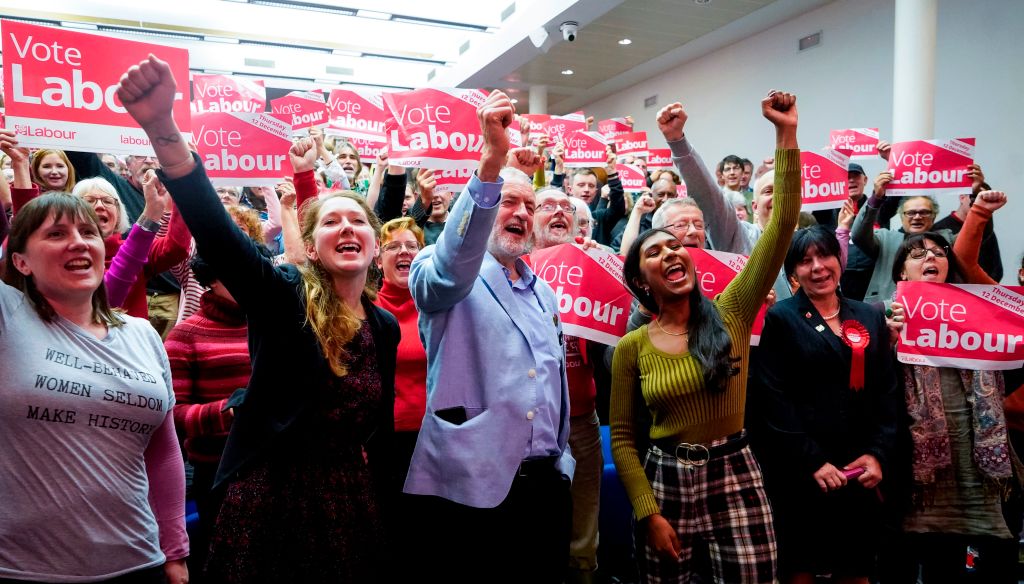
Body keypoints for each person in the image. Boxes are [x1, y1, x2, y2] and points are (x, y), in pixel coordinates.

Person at [116, 55, 399, 582]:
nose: (346, 228)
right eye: (330, 222)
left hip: (351, 503)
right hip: (273, 501)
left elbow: (375, 430)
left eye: (357, 220)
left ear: (374, 244)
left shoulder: (384, 327)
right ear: (309, 248)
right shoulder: (285, 295)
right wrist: (163, 129)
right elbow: (219, 236)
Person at [610, 89, 801, 583]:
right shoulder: (633, 346)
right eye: (654, 252)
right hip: (665, 483)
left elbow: (782, 224)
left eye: (675, 246)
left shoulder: (733, 310)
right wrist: (647, 512)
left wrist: (786, 134)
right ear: (641, 282)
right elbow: (625, 440)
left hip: (736, 474)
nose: (672, 253)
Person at [403, 89, 574, 584]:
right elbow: (453, 265)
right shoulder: (439, 268)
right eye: (507, 201)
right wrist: (492, 163)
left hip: (547, 485)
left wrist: (563, 460)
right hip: (473, 485)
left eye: (529, 205)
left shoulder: (544, 292)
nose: (520, 212)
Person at [0, 192, 188, 583]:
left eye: (88, 232)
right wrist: (16, 170)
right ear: (20, 261)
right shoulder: (8, 317)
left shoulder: (142, 333)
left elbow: (163, 451)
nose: (79, 242)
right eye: (56, 233)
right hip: (24, 571)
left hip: (140, 563)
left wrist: (174, 551)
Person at [751, 226, 899, 583]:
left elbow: (887, 392)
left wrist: (877, 453)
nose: (818, 267)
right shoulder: (779, 319)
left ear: (839, 260)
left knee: (857, 569)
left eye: (825, 256)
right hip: (802, 473)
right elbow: (773, 399)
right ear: (793, 273)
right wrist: (812, 461)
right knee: (801, 568)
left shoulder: (868, 316)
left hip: (860, 469)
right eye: (805, 261)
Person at [885, 232, 1019, 582]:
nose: (930, 258)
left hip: (976, 461)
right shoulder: (883, 317)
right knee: (928, 558)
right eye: (918, 254)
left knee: (979, 560)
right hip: (921, 464)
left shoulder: (979, 313)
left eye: (938, 253)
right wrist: (889, 341)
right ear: (902, 273)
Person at [372, 217, 427, 491]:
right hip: (384, 441)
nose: (404, 251)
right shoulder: (365, 309)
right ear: (378, 260)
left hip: (435, 437)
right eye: (393, 246)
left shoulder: (438, 307)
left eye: (412, 246)